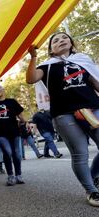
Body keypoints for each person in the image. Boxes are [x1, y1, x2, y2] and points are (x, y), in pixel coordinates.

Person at [26, 32, 99, 206]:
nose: (61, 41)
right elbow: (30, 79)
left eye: (64, 38)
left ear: (71, 42)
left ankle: (93, 176)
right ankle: (92, 191)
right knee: (80, 153)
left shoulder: (83, 60)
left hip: (93, 109)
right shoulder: (47, 66)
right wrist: (33, 57)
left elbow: (95, 83)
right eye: (56, 41)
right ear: (51, 49)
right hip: (65, 114)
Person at [0, 84, 28, 186]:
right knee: (7, 152)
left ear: (3, 90)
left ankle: (18, 175)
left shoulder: (12, 102)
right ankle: (10, 176)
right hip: (1, 134)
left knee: (17, 154)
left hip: (14, 132)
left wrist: (25, 122)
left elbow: (21, 116)